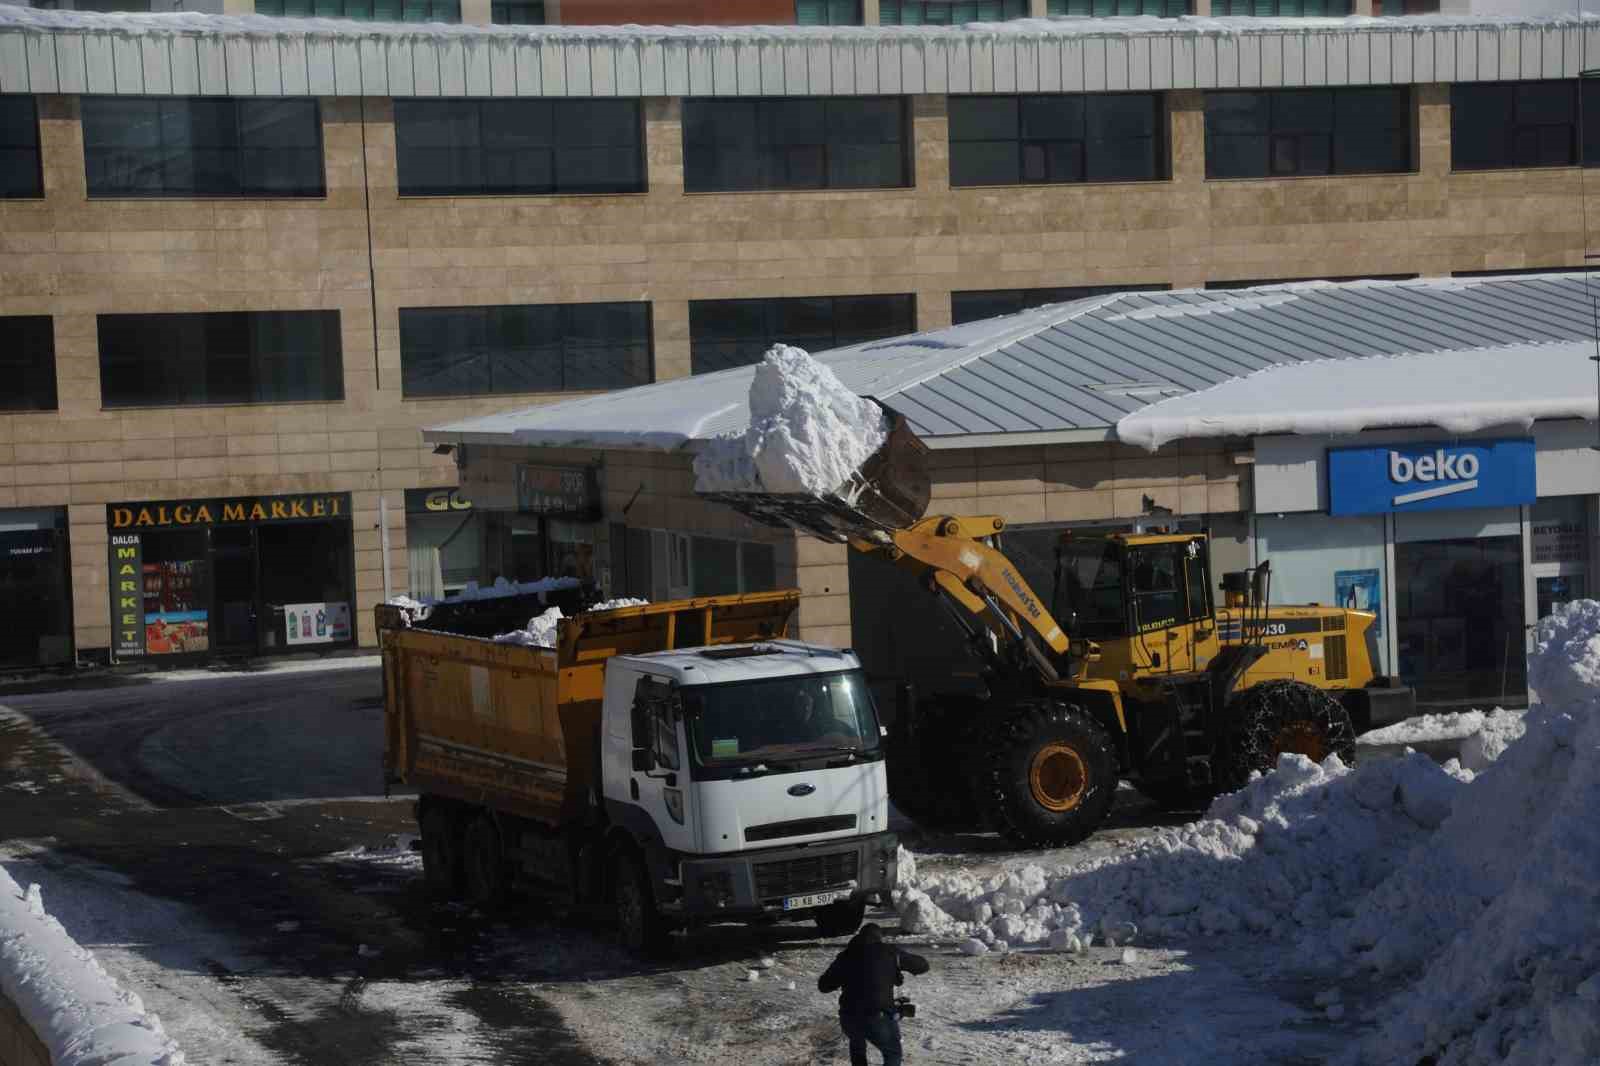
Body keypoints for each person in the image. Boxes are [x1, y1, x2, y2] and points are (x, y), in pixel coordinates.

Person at [817, 923, 929, 1066]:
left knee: (857, 1044)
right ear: (879, 938)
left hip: (849, 1017)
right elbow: (923, 966)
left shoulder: (845, 956)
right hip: (876, 1017)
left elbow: (824, 986)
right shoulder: (889, 952)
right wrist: (898, 963)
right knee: (892, 1053)